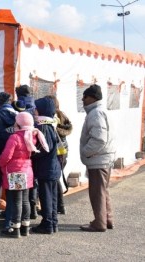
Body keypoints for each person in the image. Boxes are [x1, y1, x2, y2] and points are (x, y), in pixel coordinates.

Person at [0, 112, 49, 238]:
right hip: (27, 171)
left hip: (15, 172)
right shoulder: (33, 135)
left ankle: (15, 228)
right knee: (25, 200)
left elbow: (6, 156)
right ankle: (25, 227)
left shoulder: (14, 137)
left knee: (16, 201)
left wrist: (0, 164)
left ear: (19, 123)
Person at [79, 84, 116, 232]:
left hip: (98, 159)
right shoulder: (100, 111)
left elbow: (99, 139)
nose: (83, 99)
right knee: (103, 190)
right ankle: (107, 219)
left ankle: (99, 223)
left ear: (93, 98)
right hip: (103, 158)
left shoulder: (96, 113)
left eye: (85, 96)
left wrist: (86, 152)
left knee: (97, 192)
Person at [31, 96, 61, 234]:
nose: (34, 111)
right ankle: (53, 222)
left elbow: (44, 148)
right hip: (52, 166)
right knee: (52, 196)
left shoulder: (43, 126)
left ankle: (47, 223)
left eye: (36, 109)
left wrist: (32, 153)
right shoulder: (51, 124)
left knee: (46, 196)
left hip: (46, 167)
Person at [0, 92, 17, 229]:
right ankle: (10, 221)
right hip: (16, 161)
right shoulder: (19, 116)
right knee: (13, 190)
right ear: (10, 101)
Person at [45, 95, 73, 215]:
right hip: (63, 151)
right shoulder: (63, 115)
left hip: (56, 152)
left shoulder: (53, 118)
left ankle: (57, 206)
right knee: (56, 179)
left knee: (53, 180)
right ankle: (60, 206)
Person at [15, 84, 38, 219]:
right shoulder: (35, 106)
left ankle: (18, 219)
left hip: (21, 149)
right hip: (34, 144)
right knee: (33, 180)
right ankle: (33, 209)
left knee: (20, 190)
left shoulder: (19, 106)